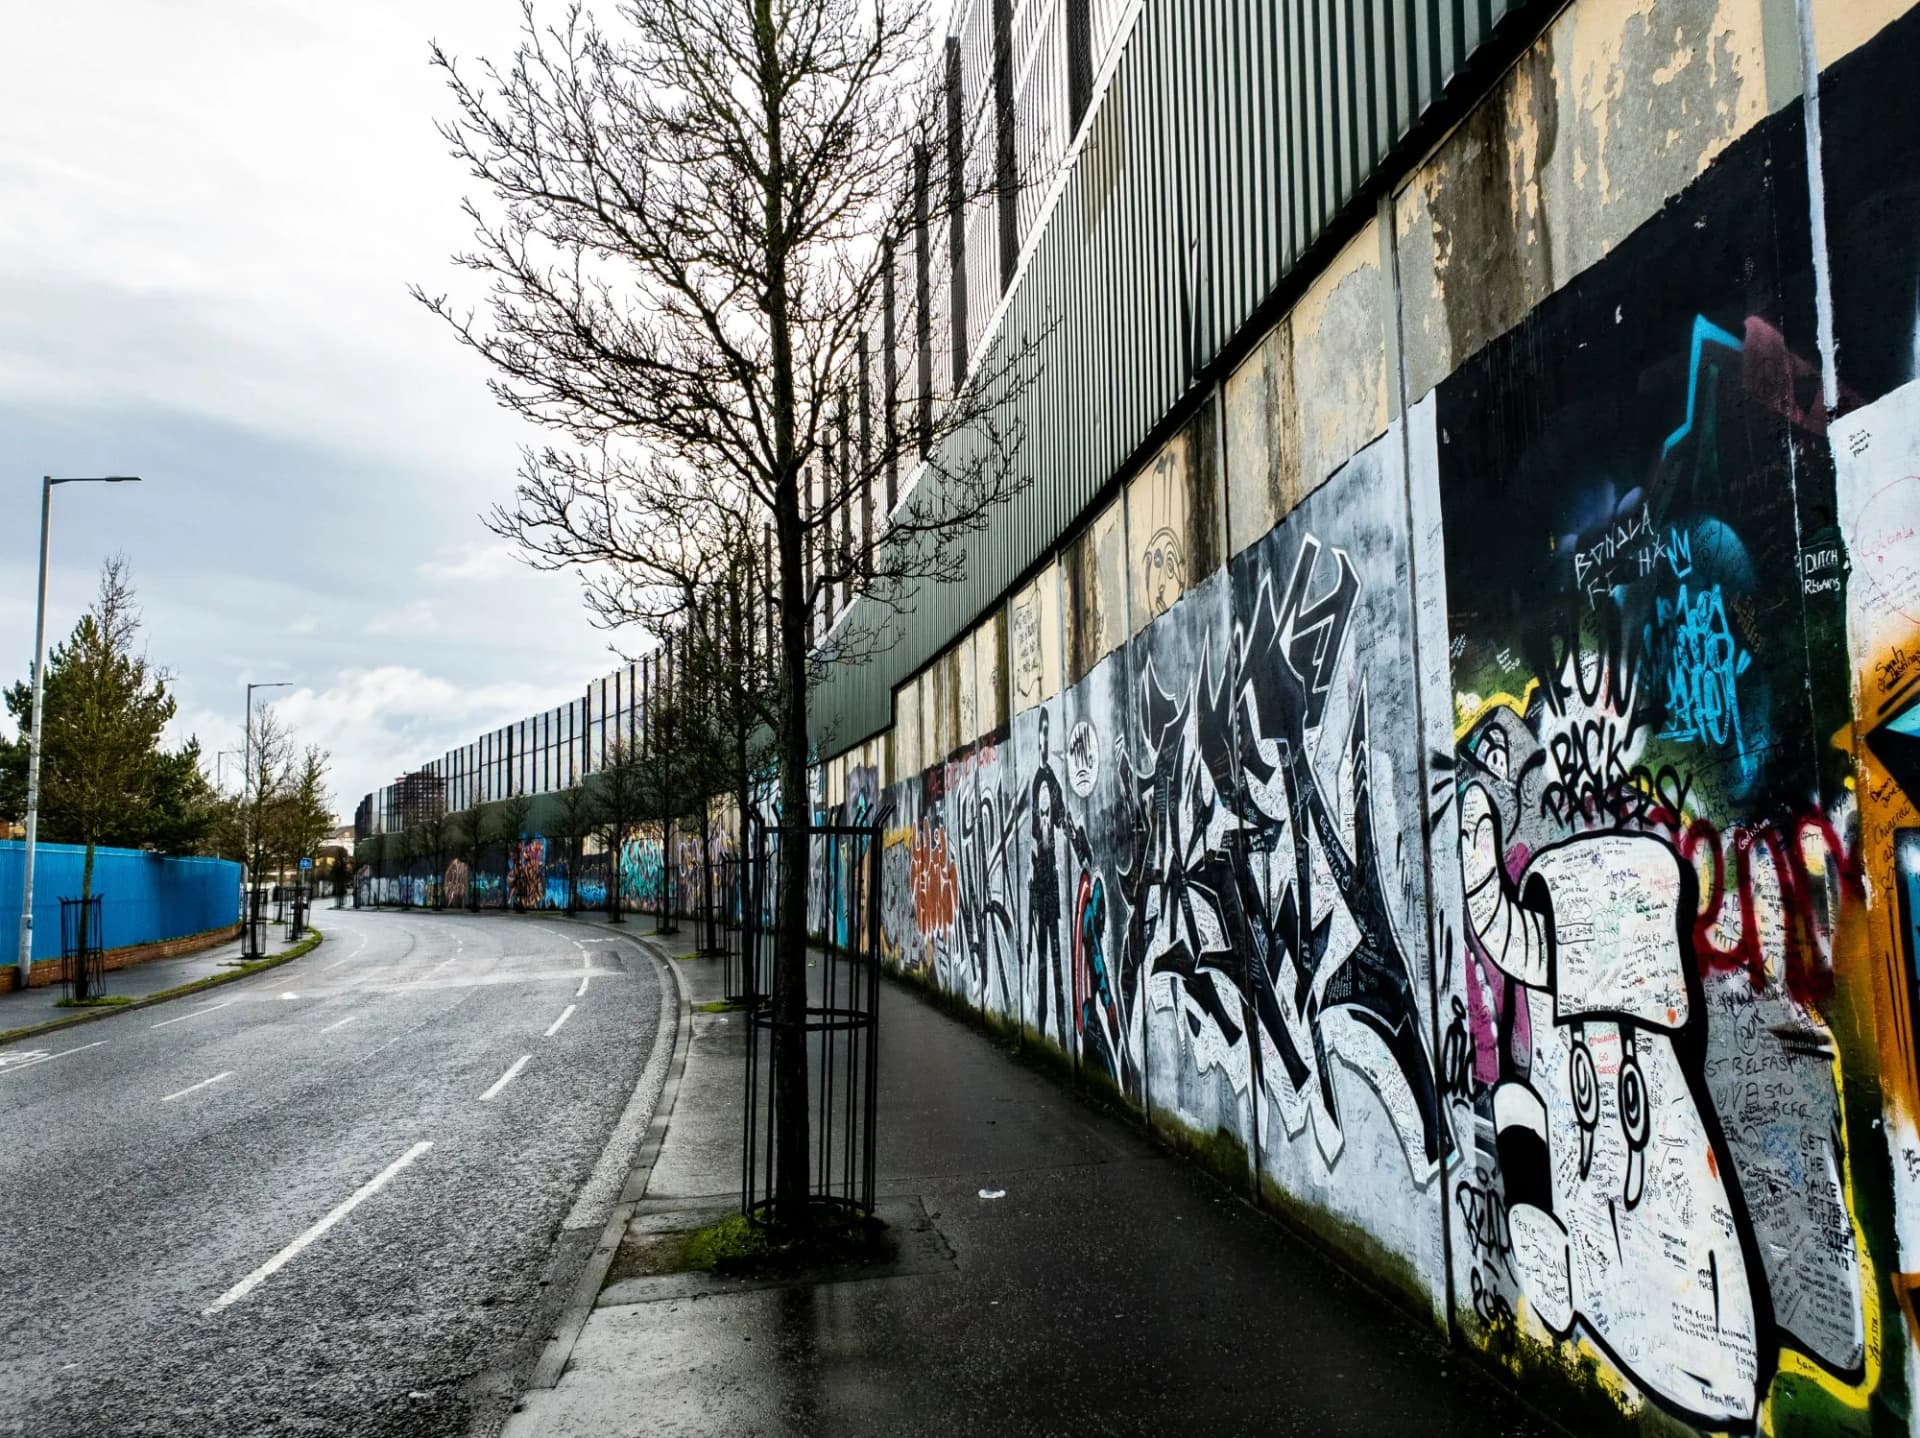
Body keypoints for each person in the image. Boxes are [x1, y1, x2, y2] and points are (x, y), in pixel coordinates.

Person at [1028, 707, 1067, 1038]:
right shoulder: (1037, 783)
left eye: (1046, 731)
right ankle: (1041, 1027)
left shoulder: (1051, 780)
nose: (1044, 738)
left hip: (1051, 878)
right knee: (1042, 958)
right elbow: (1032, 837)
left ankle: (1061, 1029)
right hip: (1040, 879)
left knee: (1054, 959)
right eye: (1040, 732)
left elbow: (1062, 821)